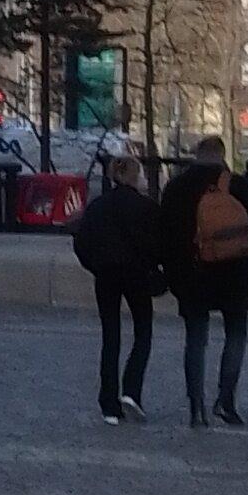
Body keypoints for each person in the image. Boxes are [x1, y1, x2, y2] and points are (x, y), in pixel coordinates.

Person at [156, 131, 248, 425]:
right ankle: (226, 401)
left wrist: (170, 272)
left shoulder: (177, 187)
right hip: (235, 273)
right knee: (236, 335)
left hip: (192, 274)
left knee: (196, 339)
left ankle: (196, 406)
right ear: (223, 154)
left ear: (197, 154)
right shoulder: (238, 186)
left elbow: (165, 235)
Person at [70, 152, 161, 420]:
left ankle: (108, 403)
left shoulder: (98, 207)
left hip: (106, 275)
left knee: (111, 337)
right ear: (136, 176)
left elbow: (82, 242)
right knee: (143, 332)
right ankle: (132, 389)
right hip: (137, 276)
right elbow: (158, 245)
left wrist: (96, 266)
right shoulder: (146, 208)